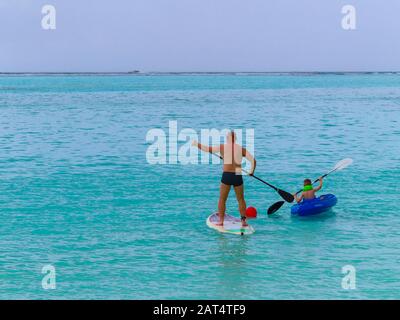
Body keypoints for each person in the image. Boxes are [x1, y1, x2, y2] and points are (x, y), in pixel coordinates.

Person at [192, 131, 256, 227]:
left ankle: (221, 221)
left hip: (227, 174)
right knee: (241, 199)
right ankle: (243, 221)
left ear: (228, 138)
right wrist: (251, 171)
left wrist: (196, 144)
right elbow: (253, 161)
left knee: (222, 199)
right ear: (236, 139)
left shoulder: (223, 147)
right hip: (238, 174)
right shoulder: (241, 149)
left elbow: (207, 149)